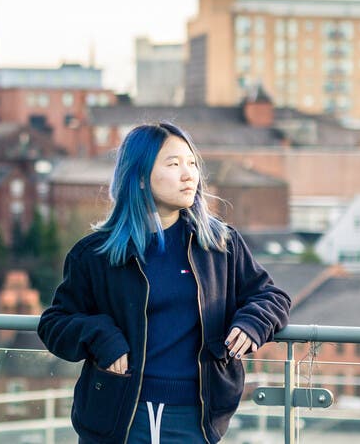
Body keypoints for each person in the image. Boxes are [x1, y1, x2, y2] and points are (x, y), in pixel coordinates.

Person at [38, 122, 290, 444]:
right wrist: (101, 335)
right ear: (140, 178)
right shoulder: (96, 253)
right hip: (117, 416)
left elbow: (271, 296)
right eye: (174, 164)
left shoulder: (219, 244)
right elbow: (55, 323)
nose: (189, 175)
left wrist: (253, 322)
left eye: (192, 164)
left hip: (197, 418)